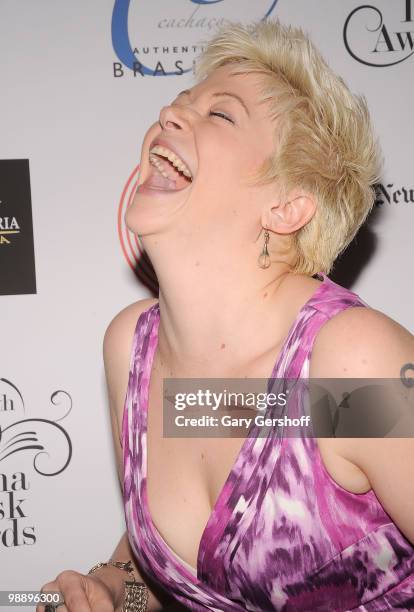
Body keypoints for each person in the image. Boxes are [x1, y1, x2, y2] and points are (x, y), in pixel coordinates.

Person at [38, 19, 414, 612]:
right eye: (180, 102)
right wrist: (112, 588)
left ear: (287, 205)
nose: (169, 113)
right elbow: (192, 577)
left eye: (221, 114)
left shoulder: (349, 365)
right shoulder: (135, 349)